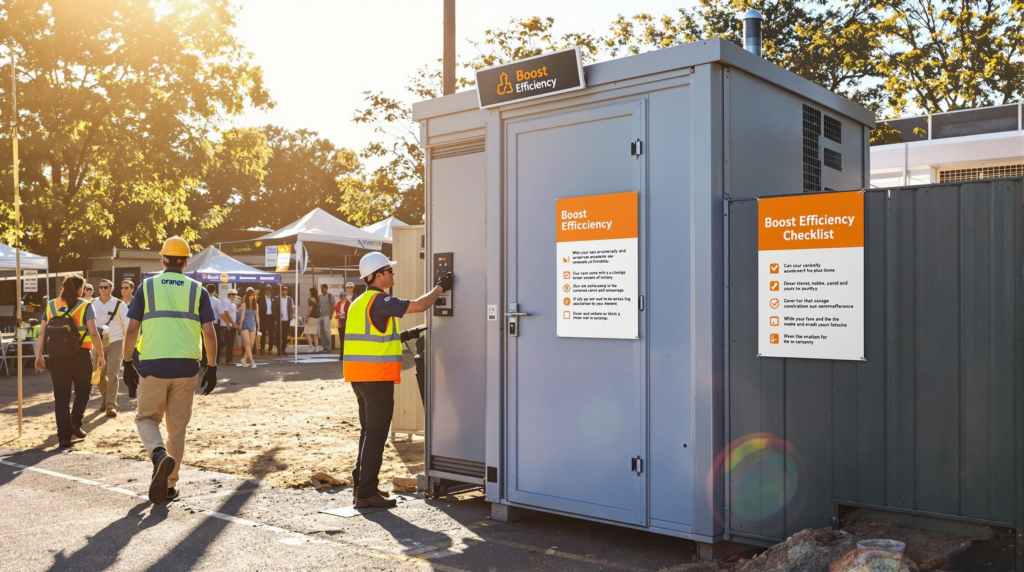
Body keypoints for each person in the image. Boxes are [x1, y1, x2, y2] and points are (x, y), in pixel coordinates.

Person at [344, 251, 453, 508]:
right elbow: (420, 305)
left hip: (360, 378)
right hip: (376, 379)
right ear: (378, 275)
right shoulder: (380, 300)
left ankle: (362, 486)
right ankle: (366, 493)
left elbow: (375, 334)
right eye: (389, 271)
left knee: (368, 432)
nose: (393, 274)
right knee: (376, 434)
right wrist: (441, 286)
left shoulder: (359, 302)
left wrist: (406, 334)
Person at [120, 236, 218, 504]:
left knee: (146, 419)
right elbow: (209, 333)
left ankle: (159, 455)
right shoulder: (199, 290)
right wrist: (212, 366)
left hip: (153, 365)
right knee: (177, 427)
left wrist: (127, 362)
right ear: (186, 262)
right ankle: (170, 486)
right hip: (187, 367)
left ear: (161, 259)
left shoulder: (146, 287)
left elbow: (132, 328)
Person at [33, 274, 105, 448]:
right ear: (80, 288)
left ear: (63, 288)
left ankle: (64, 437)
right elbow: (94, 333)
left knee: (61, 397)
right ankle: (75, 422)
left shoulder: (51, 305)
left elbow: (42, 332)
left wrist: (38, 355)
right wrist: (101, 355)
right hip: (81, 355)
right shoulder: (86, 305)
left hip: (56, 358)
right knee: (83, 391)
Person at [92, 279, 130, 416]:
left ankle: (110, 405)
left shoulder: (120, 305)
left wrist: (128, 345)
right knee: (98, 374)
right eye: (101, 287)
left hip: (115, 342)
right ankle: (106, 395)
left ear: (111, 289)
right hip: (97, 343)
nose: (103, 289)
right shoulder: (92, 304)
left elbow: (128, 325)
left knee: (112, 374)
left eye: (106, 287)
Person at [237, 287, 259, 368]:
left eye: (252, 295)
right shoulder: (244, 304)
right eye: (250, 295)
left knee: (251, 345)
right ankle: (252, 362)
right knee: (248, 343)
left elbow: (257, 316)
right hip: (245, 324)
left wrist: (258, 325)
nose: (251, 297)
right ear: (247, 296)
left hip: (253, 324)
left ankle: (244, 359)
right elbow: (242, 315)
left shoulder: (256, 305)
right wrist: (240, 324)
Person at [204, 285, 225, 367]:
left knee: (204, 342)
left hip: (202, 323)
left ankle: (204, 361)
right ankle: (215, 360)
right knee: (216, 342)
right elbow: (221, 313)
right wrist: (227, 322)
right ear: (215, 291)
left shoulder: (202, 299)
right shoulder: (216, 301)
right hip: (214, 323)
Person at [336, 282, 354, 361]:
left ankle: (347, 355)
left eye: (344, 296)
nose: (342, 297)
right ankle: (341, 355)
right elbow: (336, 314)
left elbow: (350, 313)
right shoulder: (338, 303)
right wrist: (340, 315)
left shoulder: (348, 303)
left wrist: (342, 314)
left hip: (347, 322)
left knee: (347, 339)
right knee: (341, 340)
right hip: (340, 323)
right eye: (341, 296)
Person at [257, 285, 278, 356]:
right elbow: (258, 310)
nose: (268, 291)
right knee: (263, 334)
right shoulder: (260, 299)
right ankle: (262, 349)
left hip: (271, 318)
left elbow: (274, 309)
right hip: (263, 318)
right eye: (266, 290)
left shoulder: (272, 298)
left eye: (269, 290)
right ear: (264, 291)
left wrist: (275, 319)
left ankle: (270, 349)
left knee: (271, 334)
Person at [220, 289, 239, 366]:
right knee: (226, 342)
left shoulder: (231, 303)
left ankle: (229, 360)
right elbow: (226, 313)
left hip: (231, 325)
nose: (235, 296)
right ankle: (228, 360)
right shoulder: (226, 301)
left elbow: (231, 313)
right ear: (230, 295)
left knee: (229, 342)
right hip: (227, 325)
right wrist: (232, 323)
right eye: (234, 295)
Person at [276, 285, 295, 357]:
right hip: (279, 320)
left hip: (287, 320)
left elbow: (292, 307)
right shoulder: (277, 299)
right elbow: (275, 309)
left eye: (286, 290)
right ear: (281, 291)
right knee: (278, 336)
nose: (285, 291)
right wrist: (275, 319)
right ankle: (278, 351)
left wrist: (292, 314)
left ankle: (283, 350)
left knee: (285, 336)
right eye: (283, 290)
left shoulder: (290, 299)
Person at [318, 284, 336, 353]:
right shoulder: (320, 296)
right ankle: (324, 347)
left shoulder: (330, 296)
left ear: (326, 289)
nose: (321, 290)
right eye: (321, 288)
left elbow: (333, 305)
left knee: (327, 331)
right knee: (322, 332)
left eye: (322, 288)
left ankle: (329, 347)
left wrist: (331, 315)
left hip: (327, 316)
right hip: (321, 316)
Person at [304, 287, 320, 352]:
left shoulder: (310, 299)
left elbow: (310, 308)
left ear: (311, 292)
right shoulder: (317, 299)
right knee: (314, 333)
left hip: (311, 317)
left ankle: (311, 347)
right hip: (317, 317)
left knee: (307, 332)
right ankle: (316, 348)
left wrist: (307, 317)